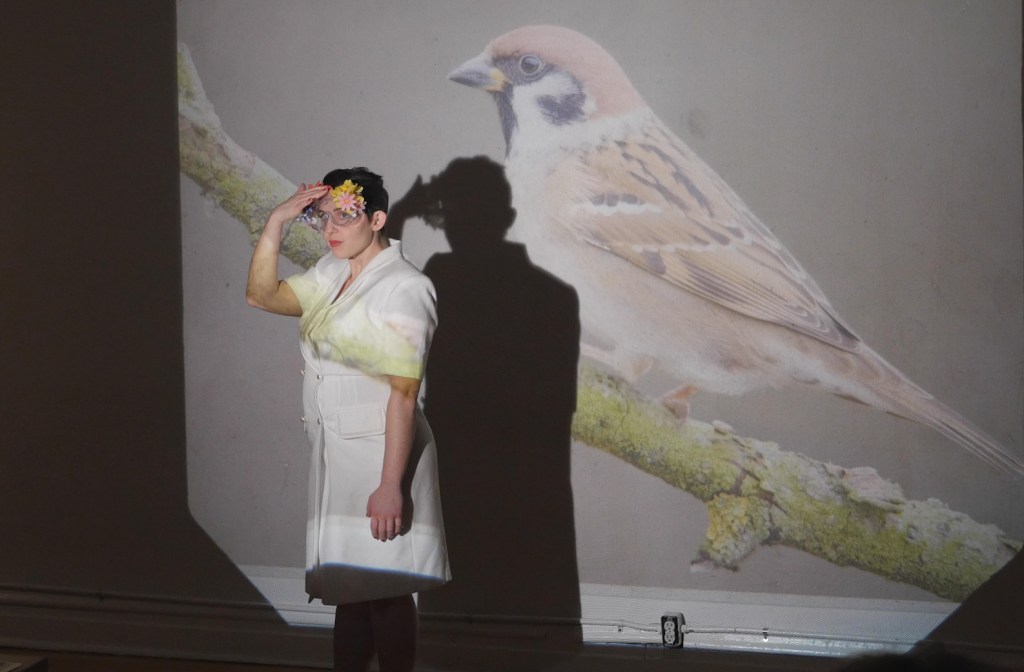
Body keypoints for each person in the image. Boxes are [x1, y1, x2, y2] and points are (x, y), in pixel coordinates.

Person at [246, 167, 450, 672]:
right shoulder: (331, 272)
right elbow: (261, 295)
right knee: (352, 593)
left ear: (377, 218)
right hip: (339, 452)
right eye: (322, 217)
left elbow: (403, 394)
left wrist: (389, 485)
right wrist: (276, 222)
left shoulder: (405, 287)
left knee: (385, 592)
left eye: (346, 215)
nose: (332, 228)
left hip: (383, 454)